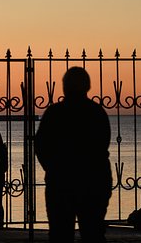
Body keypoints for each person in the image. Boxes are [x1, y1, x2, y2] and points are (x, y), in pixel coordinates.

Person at [35, 67, 112, 243]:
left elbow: (41, 146)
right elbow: (103, 144)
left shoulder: (54, 113)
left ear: (64, 86)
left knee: (60, 233)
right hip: (94, 180)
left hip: (61, 182)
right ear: (87, 86)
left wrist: (54, 168)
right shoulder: (96, 112)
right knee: (93, 232)